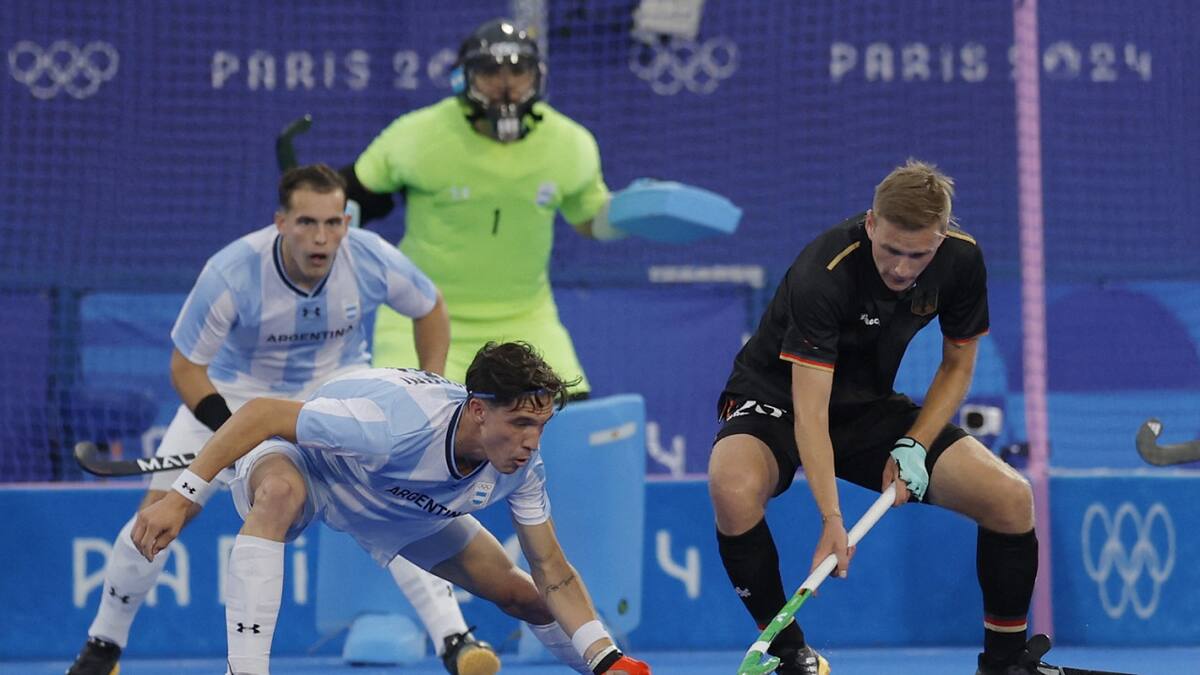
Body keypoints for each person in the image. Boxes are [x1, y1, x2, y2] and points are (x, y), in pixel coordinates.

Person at [69, 165, 500, 675]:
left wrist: (431, 389)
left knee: (396, 505)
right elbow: (186, 368)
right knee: (161, 512)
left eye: (333, 223)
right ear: (280, 222)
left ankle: (455, 638)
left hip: (337, 392)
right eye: (306, 223)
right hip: (233, 396)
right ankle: (103, 648)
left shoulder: (369, 257)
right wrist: (233, 431)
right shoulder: (232, 272)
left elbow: (430, 308)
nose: (321, 238)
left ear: (346, 221)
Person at [707, 160, 1073, 675]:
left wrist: (915, 445)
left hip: (867, 407)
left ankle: (1006, 663)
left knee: (1011, 499)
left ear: (941, 239)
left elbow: (957, 364)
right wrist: (832, 521)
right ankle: (790, 655)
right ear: (872, 224)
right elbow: (810, 414)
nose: (901, 268)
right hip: (778, 399)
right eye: (891, 250)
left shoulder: (962, 262)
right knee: (731, 485)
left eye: (917, 254)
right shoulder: (825, 273)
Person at [130, 341, 652, 675]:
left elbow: (553, 572)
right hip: (317, 468)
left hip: (402, 508)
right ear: (477, 410)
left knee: (527, 598)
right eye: (519, 424)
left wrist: (606, 657)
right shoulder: (392, 428)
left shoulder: (522, 469)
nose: (531, 443)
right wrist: (182, 495)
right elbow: (263, 413)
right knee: (278, 495)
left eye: (541, 427)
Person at [338, 18, 623, 397]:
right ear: (464, 78)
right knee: (397, 421)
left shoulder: (571, 143)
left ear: (538, 77)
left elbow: (590, 219)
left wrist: (633, 215)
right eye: (490, 71)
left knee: (570, 422)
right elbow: (349, 200)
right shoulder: (416, 136)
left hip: (526, 319)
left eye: (518, 71)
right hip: (420, 316)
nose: (505, 85)